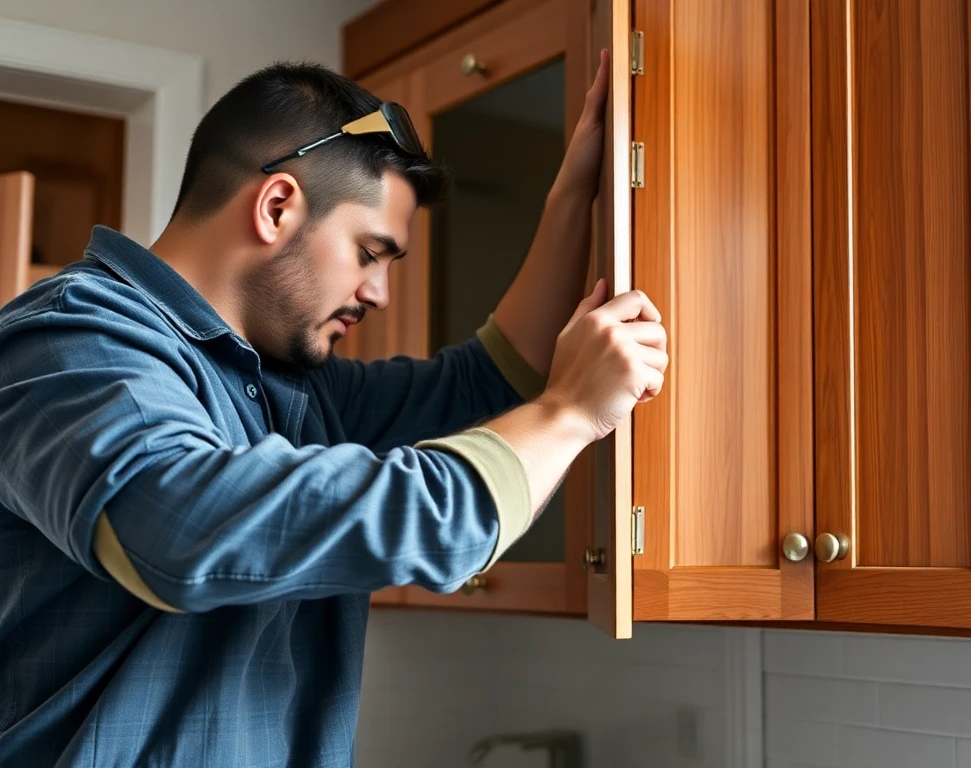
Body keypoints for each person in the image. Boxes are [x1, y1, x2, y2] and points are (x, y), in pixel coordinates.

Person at [0, 48, 666, 767]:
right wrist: (568, 416)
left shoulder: (285, 384)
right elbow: (176, 535)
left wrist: (575, 193)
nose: (378, 293)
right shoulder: (71, 342)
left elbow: (488, 388)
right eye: (369, 252)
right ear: (277, 206)